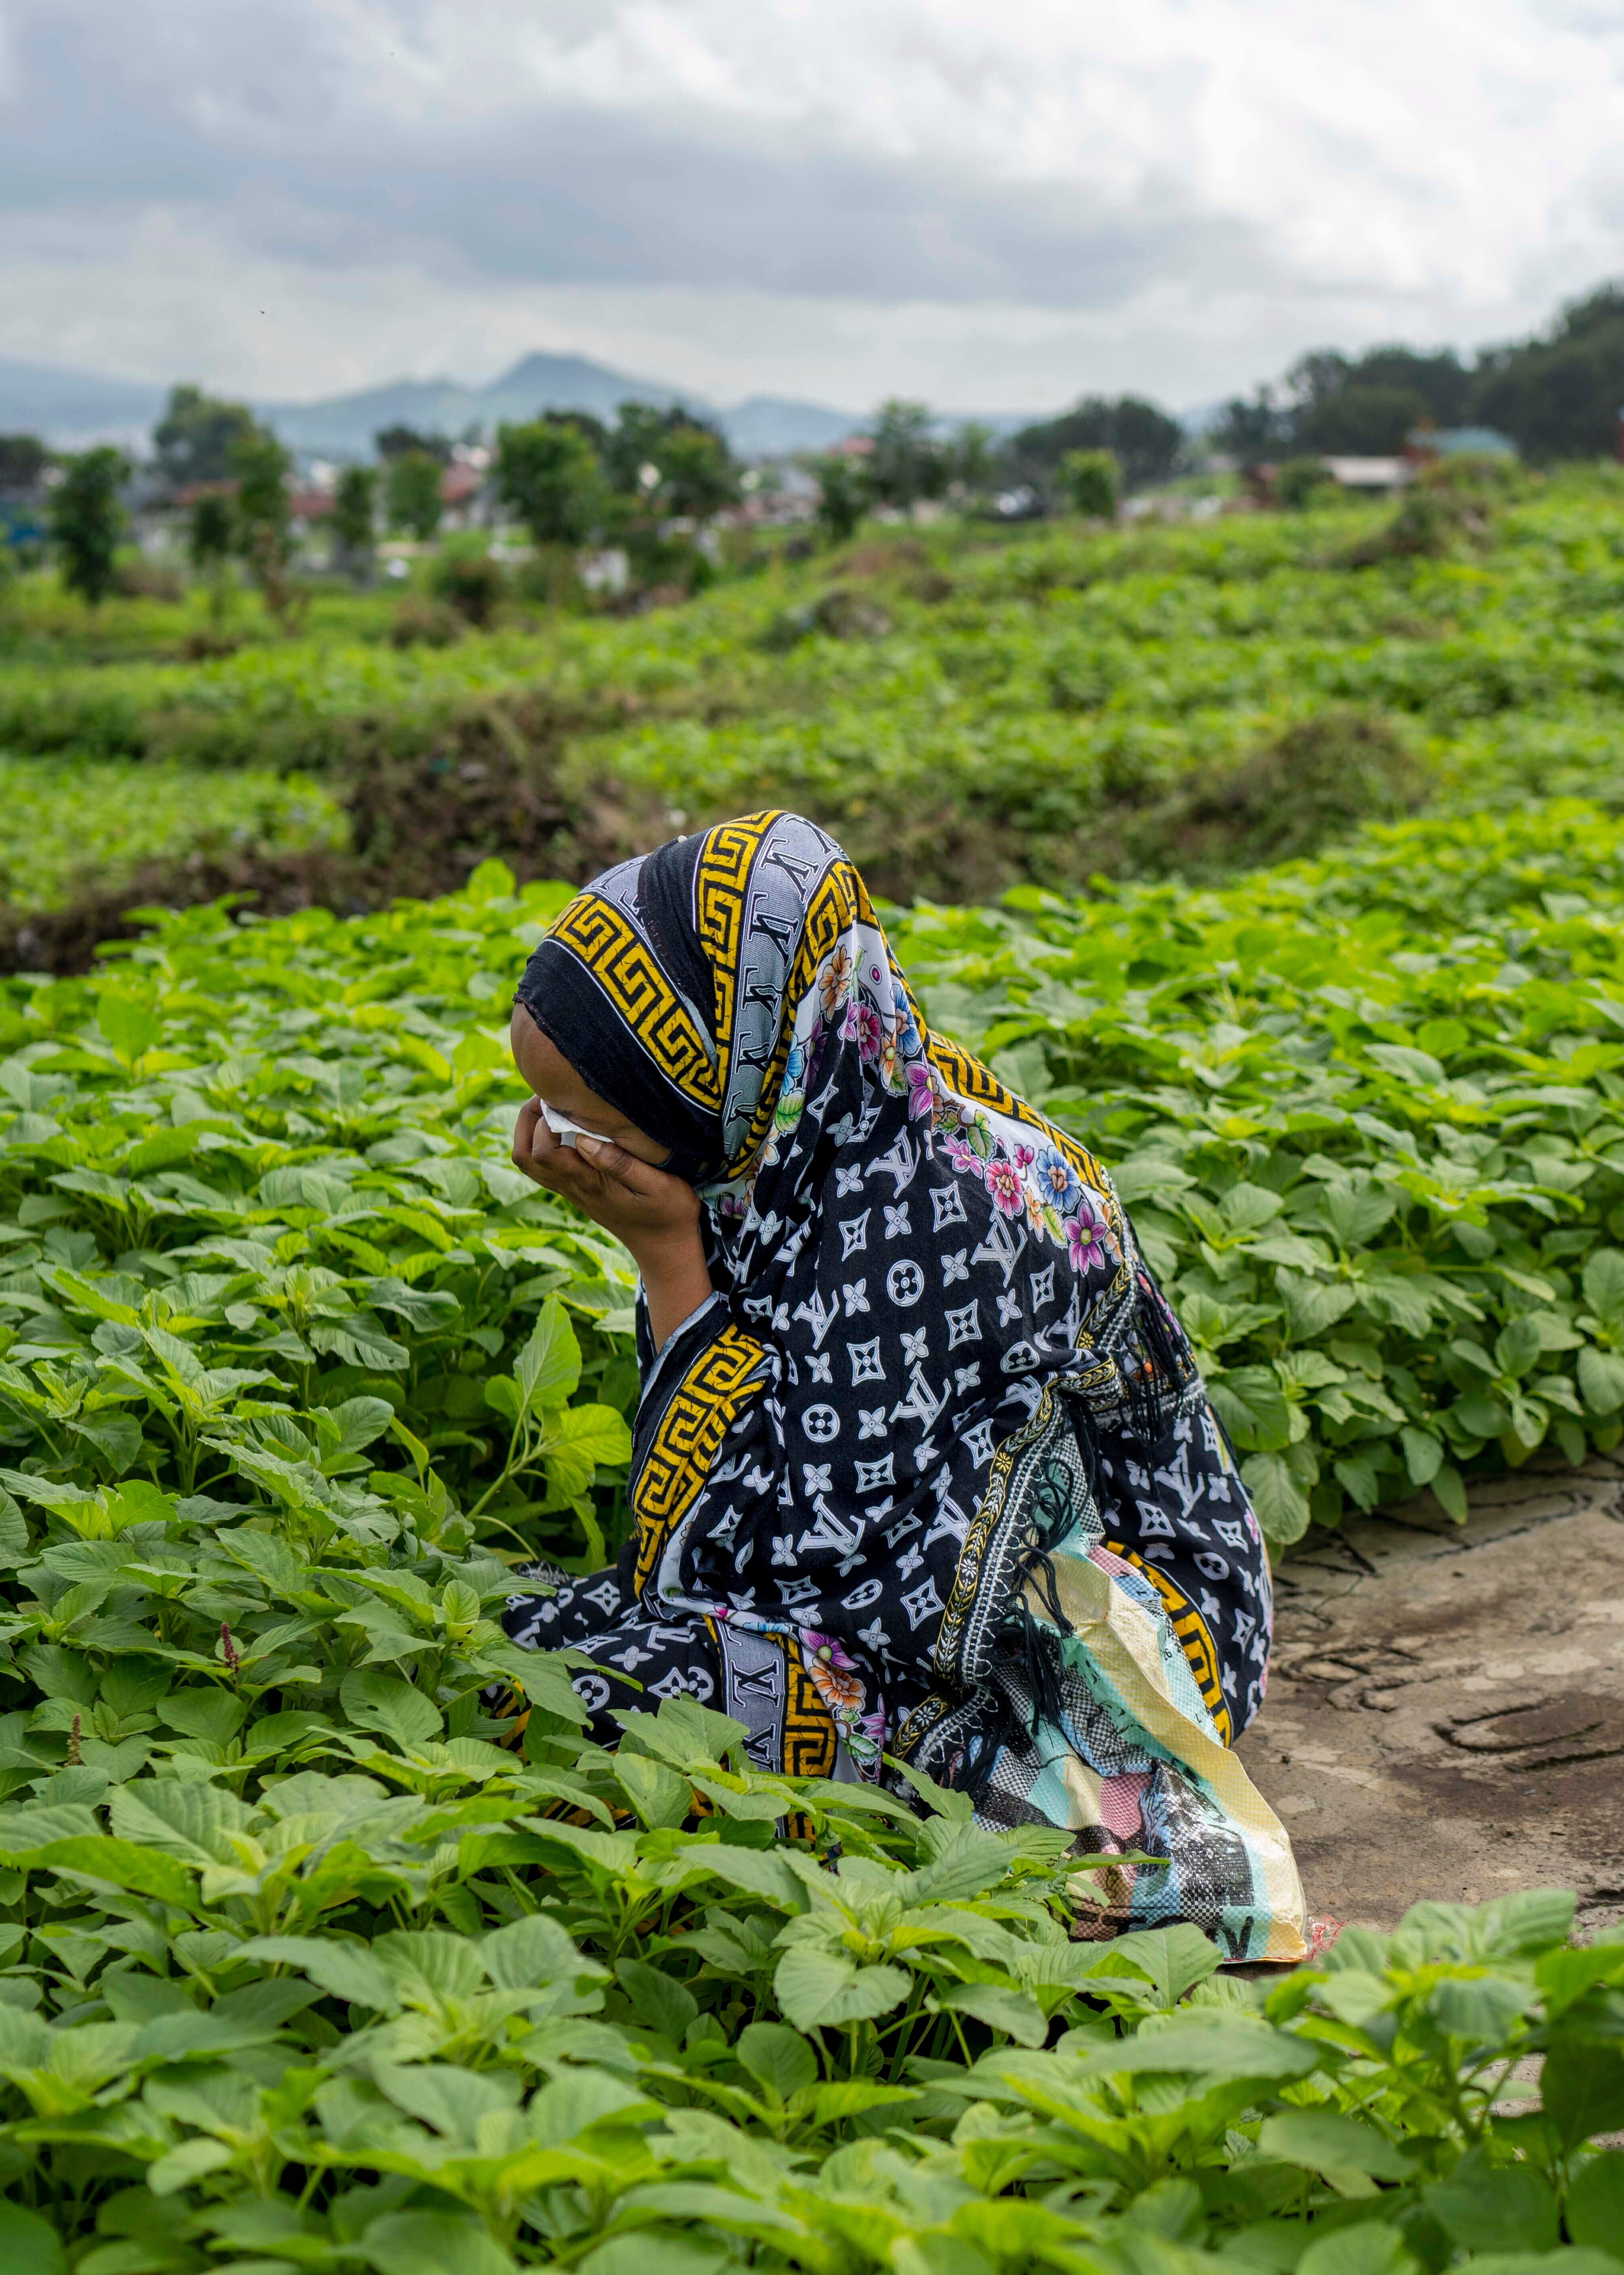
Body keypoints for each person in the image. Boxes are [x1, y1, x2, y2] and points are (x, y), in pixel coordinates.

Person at [495, 809, 1310, 1960]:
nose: (555, 1147)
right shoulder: (815, 1125)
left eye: (597, 1124)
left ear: (733, 1076)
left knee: (630, 1691)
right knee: (520, 1647)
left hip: (1096, 1624)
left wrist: (669, 1262)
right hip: (915, 1585)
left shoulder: (950, 1216)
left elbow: (793, 1587)